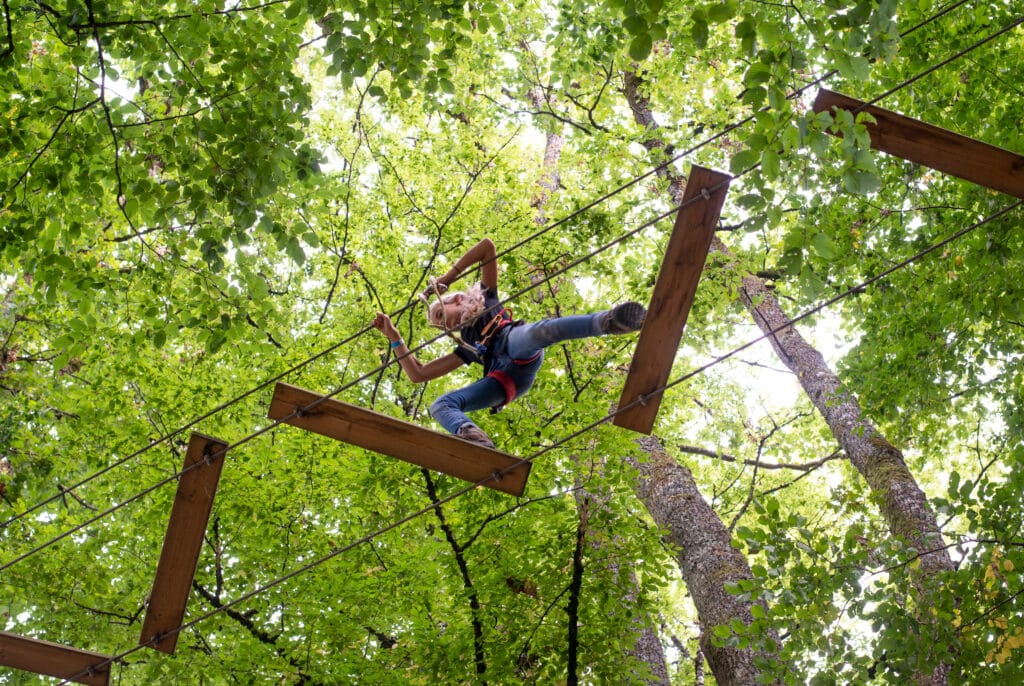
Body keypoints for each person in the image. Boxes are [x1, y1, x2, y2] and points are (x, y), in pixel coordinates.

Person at [371, 238, 646, 449]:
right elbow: (418, 374)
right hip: (502, 379)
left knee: (540, 332)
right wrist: (395, 338)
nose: (444, 325)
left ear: (455, 300)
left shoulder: (487, 297)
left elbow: (487, 247)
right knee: (440, 405)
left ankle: (609, 322)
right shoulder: (465, 346)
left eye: (442, 315)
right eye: (440, 325)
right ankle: (471, 434)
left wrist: (446, 278)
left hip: (514, 343)